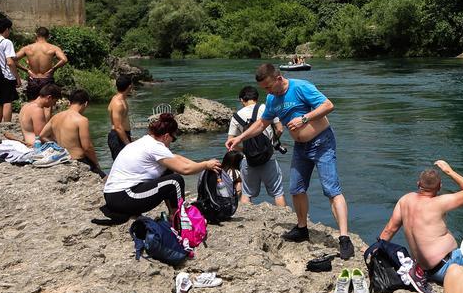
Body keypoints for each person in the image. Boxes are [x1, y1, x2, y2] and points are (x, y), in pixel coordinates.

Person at [231, 62, 353, 258]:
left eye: (269, 86)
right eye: (264, 89)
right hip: (301, 147)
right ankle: (302, 228)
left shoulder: (301, 87)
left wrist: (304, 118)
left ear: (279, 79)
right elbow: (262, 124)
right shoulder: (272, 99)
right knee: (296, 189)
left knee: (331, 189)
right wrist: (239, 138)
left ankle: (344, 238)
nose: (267, 91)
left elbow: (328, 105)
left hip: (322, 142)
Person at [377, 162, 463, 280]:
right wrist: (449, 171)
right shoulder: (439, 203)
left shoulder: (404, 200)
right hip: (444, 268)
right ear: (440, 186)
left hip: (421, 270)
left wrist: (375, 249)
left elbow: (390, 230)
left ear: (418, 184)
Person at [101, 113, 221, 217]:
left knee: (169, 171)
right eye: (173, 139)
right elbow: (185, 170)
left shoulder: (146, 141)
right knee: (175, 181)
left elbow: (175, 158)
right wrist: (205, 165)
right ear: (166, 136)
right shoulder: (155, 147)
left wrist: (201, 165)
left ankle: (172, 214)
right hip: (123, 197)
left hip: (115, 196)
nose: (171, 142)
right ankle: (179, 218)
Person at [224, 84, 286, 207]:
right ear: (256, 98)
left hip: (249, 159)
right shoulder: (267, 108)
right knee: (278, 193)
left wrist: (245, 150)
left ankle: (246, 219)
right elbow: (279, 129)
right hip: (268, 157)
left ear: (242, 100)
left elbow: (230, 143)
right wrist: (272, 143)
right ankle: (285, 215)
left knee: (247, 194)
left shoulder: (236, 116)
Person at [39, 89, 104, 176]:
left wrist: (58, 146)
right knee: (105, 179)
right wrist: (96, 163)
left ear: (70, 102)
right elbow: (87, 147)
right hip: (78, 159)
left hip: (63, 158)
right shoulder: (81, 120)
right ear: (86, 104)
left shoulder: (56, 117)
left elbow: (42, 136)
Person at [14, 26, 69, 101]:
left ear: (36, 35)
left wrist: (26, 70)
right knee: (47, 105)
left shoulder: (27, 48)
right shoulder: (53, 48)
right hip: (47, 79)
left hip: (33, 79)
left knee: (32, 104)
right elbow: (64, 59)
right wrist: (53, 69)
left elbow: (12, 60)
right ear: (48, 36)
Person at [107, 74, 136, 158]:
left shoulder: (120, 99)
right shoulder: (118, 103)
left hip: (122, 136)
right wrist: (128, 144)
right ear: (130, 86)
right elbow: (118, 126)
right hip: (118, 137)